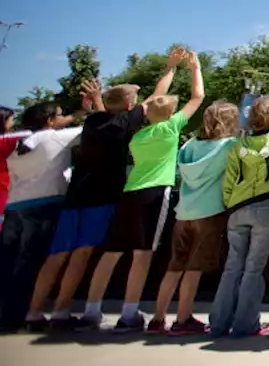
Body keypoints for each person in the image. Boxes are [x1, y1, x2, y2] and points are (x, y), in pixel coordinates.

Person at [83, 47, 205, 333]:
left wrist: (169, 69)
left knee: (111, 252)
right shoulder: (171, 128)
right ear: (172, 113)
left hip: (130, 191)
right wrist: (194, 68)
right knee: (143, 254)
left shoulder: (134, 132)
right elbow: (197, 97)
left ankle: (91, 310)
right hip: (155, 193)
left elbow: (152, 98)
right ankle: (128, 314)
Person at [23, 80, 140, 331]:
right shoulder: (121, 125)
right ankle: (61, 310)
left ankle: (33, 312)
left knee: (56, 255)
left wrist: (97, 103)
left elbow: (102, 116)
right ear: (130, 106)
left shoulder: (91, 123)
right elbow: (152, 100)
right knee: (82, 254)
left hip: (75, 196)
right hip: (101, 198)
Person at [210, 94, 269, 338]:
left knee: (231, 267)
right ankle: (245, 324)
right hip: (267, 207)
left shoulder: (239, 145)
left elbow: (230, 179)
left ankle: (218, 323)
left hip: (238, 208)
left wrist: (229, 203)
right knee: (253, 268)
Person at [0, 97, 89, 331]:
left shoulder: (18, 142)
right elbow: (92, 128)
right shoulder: (56, 137)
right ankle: (23, 316)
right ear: (50, 121)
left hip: (14, 207)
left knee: (8, 263)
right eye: (60, 115)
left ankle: (7, 313)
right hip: (44, 205)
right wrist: (90, 110)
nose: (64, 118)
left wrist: (78, 110)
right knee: (31, 264)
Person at [151, 100, 240, 335]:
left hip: (184, 213)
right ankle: (182, 319)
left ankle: (157, 318)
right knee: (194, 268)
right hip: (209, 213)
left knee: (174, 266)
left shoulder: (189, 146)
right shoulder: (229, 145)